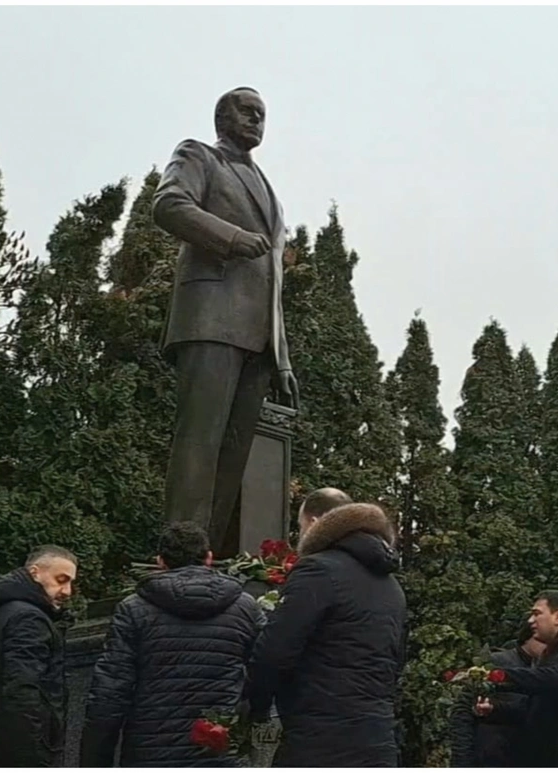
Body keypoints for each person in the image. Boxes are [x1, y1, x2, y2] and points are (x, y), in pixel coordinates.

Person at [154, 86, 298, 555]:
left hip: (258, 338)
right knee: (199, 444)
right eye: (247, 111)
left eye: (262, 114)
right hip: (211, 319)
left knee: (234, 456)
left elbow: (274, 280)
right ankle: (179, 556)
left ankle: (207, 555)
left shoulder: (267, 188)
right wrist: (232, 237)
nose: (256, 120)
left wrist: (281, 357)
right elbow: (169, 205)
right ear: (222, 118)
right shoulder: (199, 156)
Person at [80, 522, 265, 767]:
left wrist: (94, 762)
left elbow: (110, 691)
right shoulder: (245, 608)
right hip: (219, 748)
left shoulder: (134, 609)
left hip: (150, 752)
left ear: (160, 562)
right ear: (209, 558)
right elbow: (267, 668)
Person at [246, 502, 407, 766]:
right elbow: (396, 661)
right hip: (378, 737)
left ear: (315, 524)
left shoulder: (317, 570)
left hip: (318, 737)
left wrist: (256, 706)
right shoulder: (393, 589)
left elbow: (275, 651)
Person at [0, 545, 77, 767]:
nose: (68, 591)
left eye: (70, 582)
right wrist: (35, 758)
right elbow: (23, 692)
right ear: (34, 573)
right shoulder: (28, 619)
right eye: (61, 579)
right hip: (17, 754)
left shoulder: (3, 612)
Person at [478, 590, 558, 767]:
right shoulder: (550, 655)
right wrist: (494, 709)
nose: (531, 620)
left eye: (537, 614)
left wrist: (501, 676)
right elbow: (534, 709)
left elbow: (556, 678)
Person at [449, 623, 545, 767]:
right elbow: (463, 710)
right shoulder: (497, 662)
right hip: (490, 754)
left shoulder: (547, 670)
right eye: (543, 640)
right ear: (528, 637)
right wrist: (462, 761)